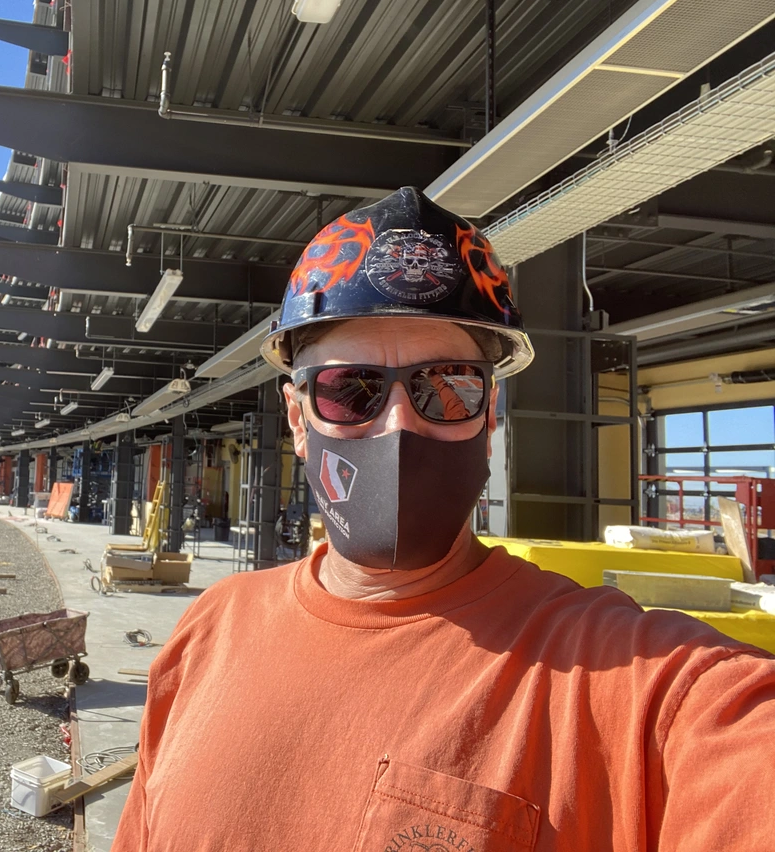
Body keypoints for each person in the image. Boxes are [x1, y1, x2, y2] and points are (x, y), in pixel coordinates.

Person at [111, 188, 775, 851]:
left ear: (489, 416)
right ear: (297, 420)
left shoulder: (626, 682)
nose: (400, 423)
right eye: (350, 390)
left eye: (448, 385)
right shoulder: (208, 633)